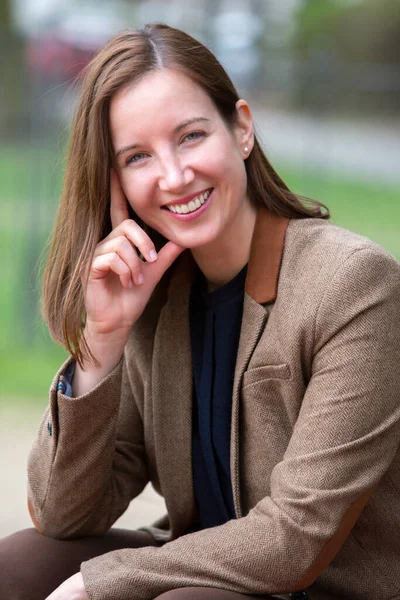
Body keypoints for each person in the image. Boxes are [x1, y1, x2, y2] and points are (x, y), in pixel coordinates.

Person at [1, 23, 399, 600]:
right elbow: (63, 515)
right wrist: (102, 341)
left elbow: (293, 539)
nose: (173, 175)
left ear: (241, 128)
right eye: (138, 156)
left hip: (331, 586)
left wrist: (95, 585)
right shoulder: (153, 295)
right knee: (16, 564)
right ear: (117, 183)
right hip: (204, 575)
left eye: (190, 136)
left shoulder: (354, 286)